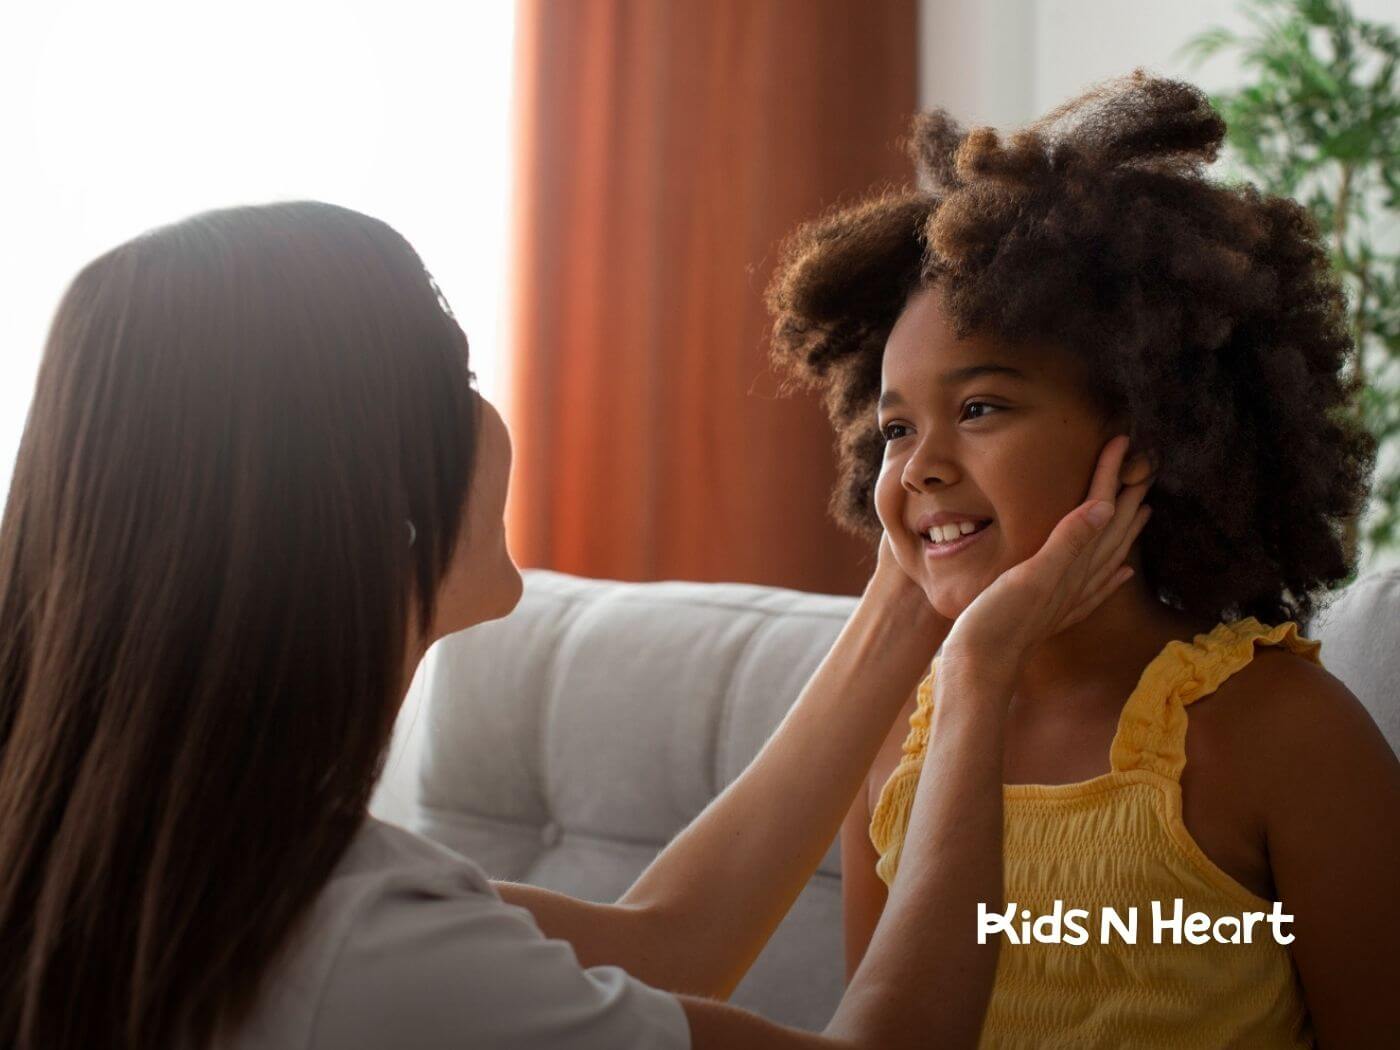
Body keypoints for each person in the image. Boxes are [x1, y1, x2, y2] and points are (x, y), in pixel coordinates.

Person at [0, 199, 1149, 1049]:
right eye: (456, 375)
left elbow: (667, 943)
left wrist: (914, 595)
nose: (486, 409)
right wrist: (977, 669)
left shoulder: (166, 862)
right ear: (367, 498)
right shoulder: (358, 945)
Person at [765, 71, 1400, 1047]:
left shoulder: (1282, 732)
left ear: (1146, 432)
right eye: (894, 428)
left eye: (980, 408)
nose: (920, 465)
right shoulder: (892, 740)